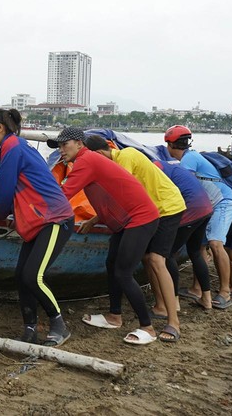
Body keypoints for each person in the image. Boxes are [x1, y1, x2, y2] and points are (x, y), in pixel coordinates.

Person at [54, 128, 160, 345]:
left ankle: (148, 328)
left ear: (79, 144)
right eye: (59, 146)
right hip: (125, 221)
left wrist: (33, 211)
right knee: (112, 264)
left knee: (123, 272)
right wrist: (93, 220)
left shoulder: (86, 160)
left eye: (65, 145)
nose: (61, 150)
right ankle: (114, 317)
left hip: (140, 218)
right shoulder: (86, 160)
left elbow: (63, 195)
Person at [0, 108, 75, 346]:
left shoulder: (13, 149)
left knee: (33, 276)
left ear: (0, 128)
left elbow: (3, 191)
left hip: (54, 219)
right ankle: (30, 328)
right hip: (36, 222)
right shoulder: (16, 147)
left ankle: (59, 325)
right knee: (22, 277)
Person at [83, 135, 186, 343]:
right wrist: (95, 220)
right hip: (142, 214)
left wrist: (95, 218)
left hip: (166, 207)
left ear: (99, 154)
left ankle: (173, 321)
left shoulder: (126, 156)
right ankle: (117, 315)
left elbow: (121, 190)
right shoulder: (112, 163)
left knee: (157, 260)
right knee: (120, 261)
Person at [165, 125, 232, 310]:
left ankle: (224, 292)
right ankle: (198, 289)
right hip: (208, 207)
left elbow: (184, 188)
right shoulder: (192, 156)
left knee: (215, 244)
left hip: (222, 202)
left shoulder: (188, 160)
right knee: (198, 248)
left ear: (171, 144)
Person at [153, 159, 214, 311]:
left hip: (190, 208)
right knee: (195, 252)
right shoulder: (172, 167)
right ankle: (207, 299)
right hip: (205, 207)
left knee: (168, 254)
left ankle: (175, 302)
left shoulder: (156, 167)